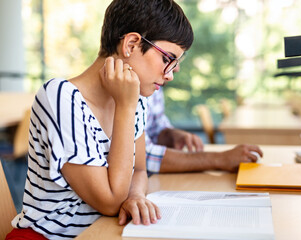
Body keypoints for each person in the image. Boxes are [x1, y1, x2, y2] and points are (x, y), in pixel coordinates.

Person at [7, 0, 193, 239]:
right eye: (168, 59)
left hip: (105, 231)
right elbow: (111, 202)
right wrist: (126, 106)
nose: (170, 75)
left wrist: (136, 196)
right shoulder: (61, 97)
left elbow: (139, 169)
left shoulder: (137, 98)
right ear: (131, 44)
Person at [145, 87, 263, 174]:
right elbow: (143, 156)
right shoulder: (136, 88)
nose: (175, 70)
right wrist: (220, 159)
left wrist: (170, 134)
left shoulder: (155, 87)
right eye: (167, 58)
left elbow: (157, 127)